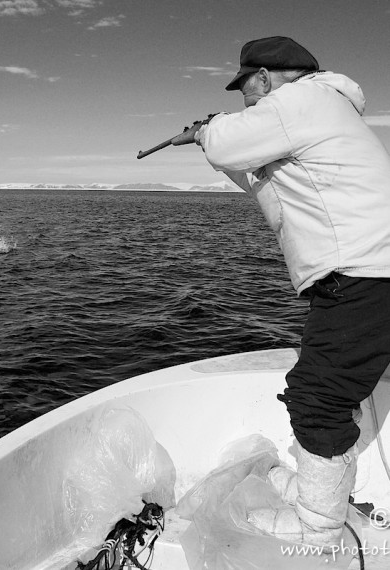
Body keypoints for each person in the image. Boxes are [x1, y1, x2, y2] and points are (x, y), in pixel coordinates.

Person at [193, 36, 390, 548]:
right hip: (370, 271)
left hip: (367, 273)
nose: (247, 100)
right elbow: (267, 182)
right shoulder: (323, 112)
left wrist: (207, 132)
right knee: (330, 386)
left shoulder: (302, 99)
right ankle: (319, 492)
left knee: (317, 397)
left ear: (261, 78)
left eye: (245, 89)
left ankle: (319, 526)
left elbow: (225, 143)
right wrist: (215, 145)